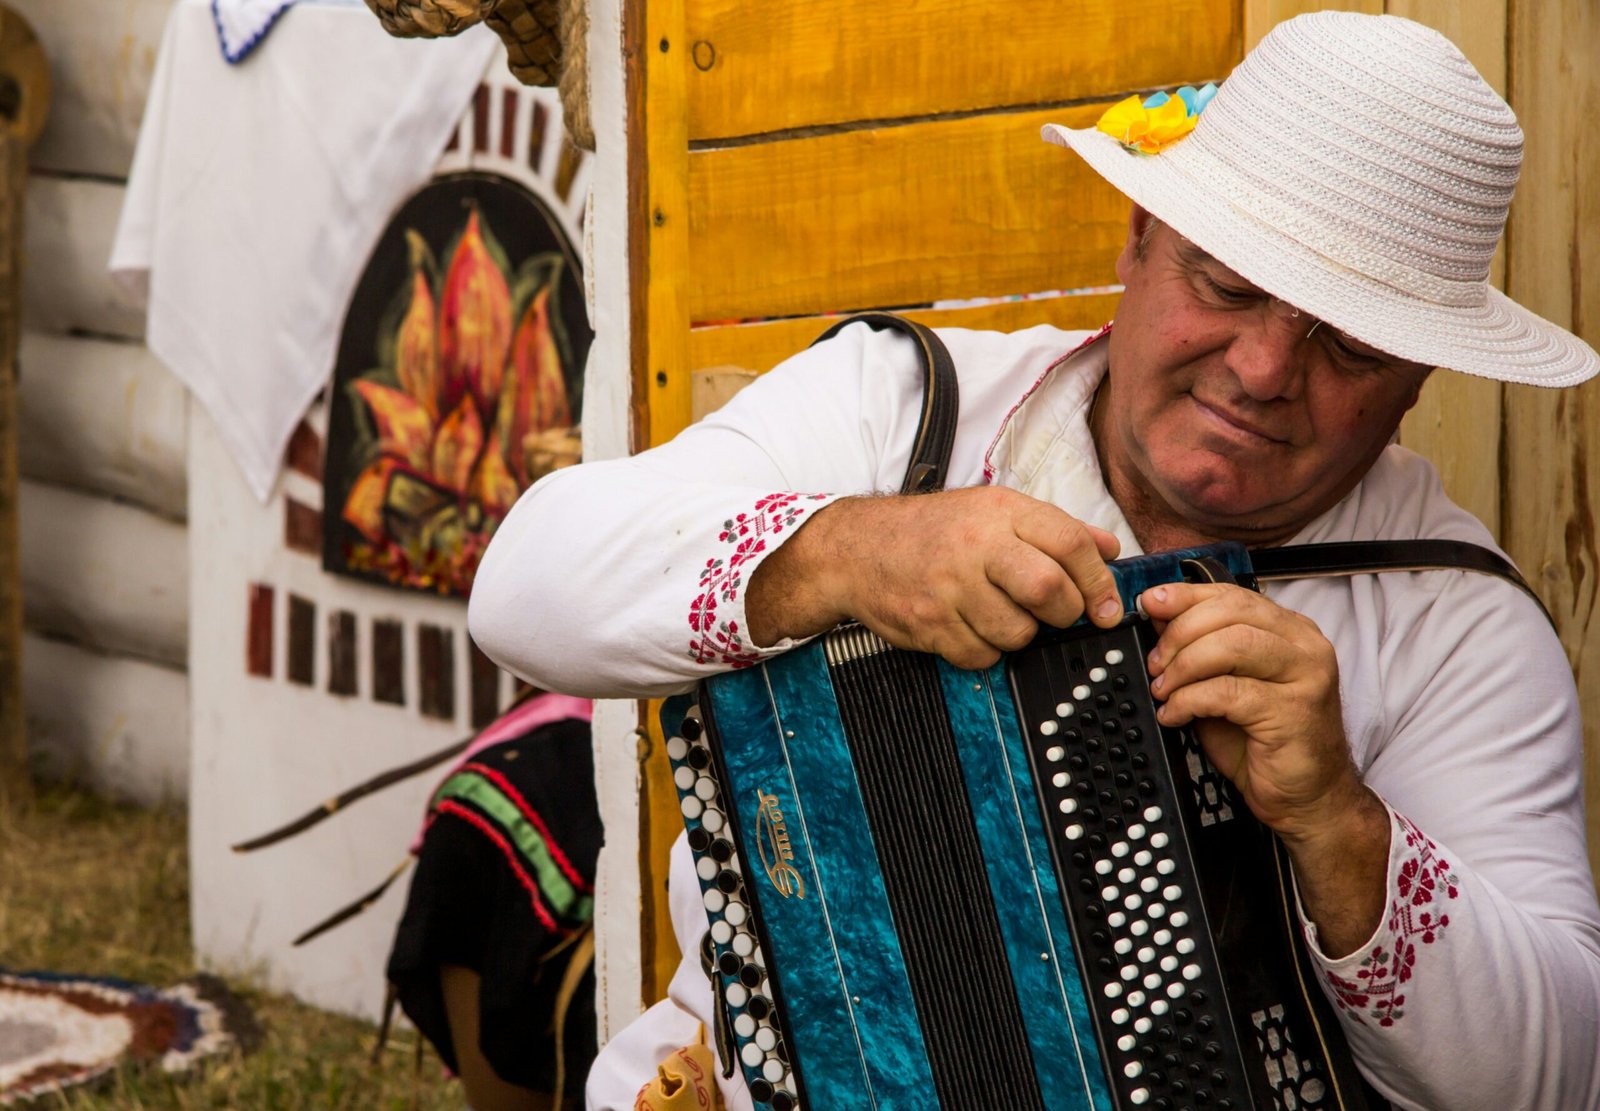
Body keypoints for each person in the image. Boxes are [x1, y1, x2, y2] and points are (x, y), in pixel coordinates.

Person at [469, 12, 1600, 1111]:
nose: (1261, 369)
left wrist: (1342, 826)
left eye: (1347, 342)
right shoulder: (903, 414)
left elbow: (1549, 1080)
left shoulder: (1458, 623)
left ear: (1417, 378)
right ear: (1138, 238)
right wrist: (847, 550)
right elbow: (522, 588)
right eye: (1226, 283)